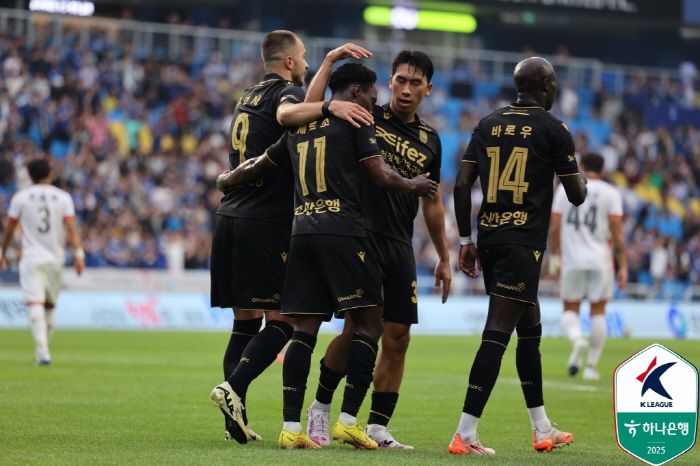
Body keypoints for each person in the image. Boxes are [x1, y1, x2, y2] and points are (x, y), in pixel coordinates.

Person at [209, 63, 437, 449]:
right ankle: (348, 421)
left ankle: (291, 428)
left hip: (301, 232)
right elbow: (379, 173)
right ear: (358, 91)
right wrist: (412, 183)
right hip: (343, 232)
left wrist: (228, 179)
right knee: (369, 326)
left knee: (303, 330)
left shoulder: (300, 127)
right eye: (373, 91)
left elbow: (260, 163)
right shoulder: (356, 120)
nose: (376, 98)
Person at [209, 30, 373, 444]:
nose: (305, 64)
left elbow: (297, 117)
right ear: (288, 62)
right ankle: (232, 387)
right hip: (265, 221)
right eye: (303, 57)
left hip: (230, 215)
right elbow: (290, 115)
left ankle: (234, 421)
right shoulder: (286, 94)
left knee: (244, 323)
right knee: (283, 323)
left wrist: (330, 61)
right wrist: (332, 103)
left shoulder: (248, 96)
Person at [302, 49, 450, 450]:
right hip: (360, 235)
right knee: (357, 329)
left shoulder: (431, 140)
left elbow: (432, 202)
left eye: (415, 83)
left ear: (428, 89)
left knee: (398, 336)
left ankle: (378, 427)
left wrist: (444, 256)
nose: (406, 89)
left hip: (399, 243)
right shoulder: (364, 113)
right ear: (389, 82)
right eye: (400, 80)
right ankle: (320, 407)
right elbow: (309, 113)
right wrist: (329, 66)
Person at [450, 57, 587, 455]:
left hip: (491, 238)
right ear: (546, 84)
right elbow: (577, 195)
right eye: (554, 82)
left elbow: (461, 184)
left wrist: (465, 239)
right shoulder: (554, 128)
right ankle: (465, 433)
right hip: (522, 242)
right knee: (497, 333)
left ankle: (542, 428)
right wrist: (577, 174)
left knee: (530, 330)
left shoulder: (487, 123)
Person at [550, 152, 627, 381]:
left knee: (570, 308)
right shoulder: (612, 193)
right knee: (598, 311)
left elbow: (555, 228)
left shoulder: (563, 190)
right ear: (602, 170)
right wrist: (622, 266)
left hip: (572, 260)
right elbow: (617, 235)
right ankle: (591, 367)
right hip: (601, 259)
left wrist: (554, 257)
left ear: (581, 166)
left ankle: (577, 340)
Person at [0, 158, 84, 365]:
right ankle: (43, 350)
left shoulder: (21, 197)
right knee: (49, 306)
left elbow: (10, 229)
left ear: (29, 176)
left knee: (35, 303)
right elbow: (71, 228)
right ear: (50, 174)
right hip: (55, 258)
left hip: (31, 257)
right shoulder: (63, 197)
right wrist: (79, 254)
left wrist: (3, 253)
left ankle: (42, 350)